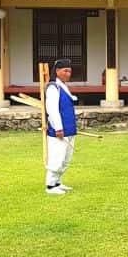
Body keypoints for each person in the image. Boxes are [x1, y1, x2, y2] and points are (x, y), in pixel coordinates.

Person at [45, 58, 77, 195]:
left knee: (66, 158)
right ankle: (50, 185)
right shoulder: (53, 87)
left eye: (69, 71)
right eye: (65, 71)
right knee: (57, 156)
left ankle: (58, 181)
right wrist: (58, 128)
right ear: (57, 71)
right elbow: (52, 109)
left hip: (69, 128)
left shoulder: (63, 86)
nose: (68, 74)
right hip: (59, 129)